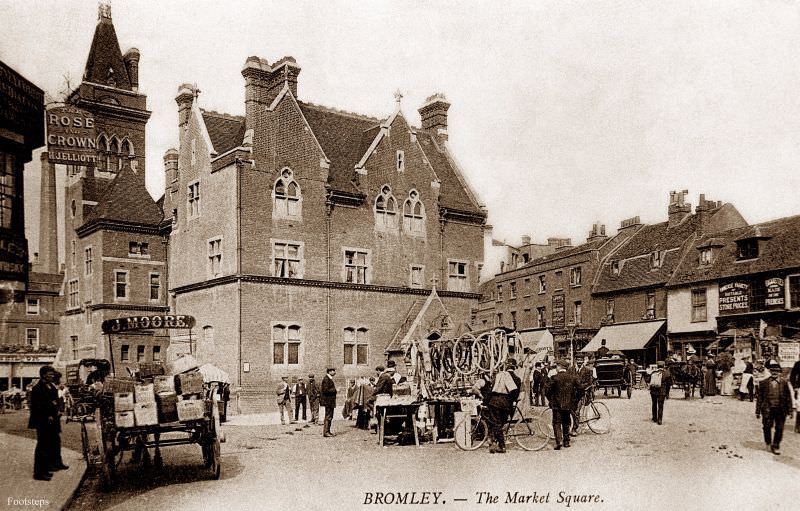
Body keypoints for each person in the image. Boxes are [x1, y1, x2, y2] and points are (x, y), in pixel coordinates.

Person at [471, 359, 521, 453]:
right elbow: (515, 392)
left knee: (496, 424)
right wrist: (513, 400)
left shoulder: (499, 376)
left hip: (496, 402)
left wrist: (485, 401)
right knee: (500, 424)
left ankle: (501, 446)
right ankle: (496, 443)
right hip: (508, 404)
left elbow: (491, 390)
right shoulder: (516, 378)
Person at [28, 365, 68, 481]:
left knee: (54, 442)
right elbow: (38, 406)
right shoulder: (38, 388)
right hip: (43, 421)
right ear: (44, 375)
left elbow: (54, 401)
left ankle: (54, 464)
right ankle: (39, 473)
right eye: (50, 374)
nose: (52, 376)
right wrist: (48, 415)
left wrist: (57, 410)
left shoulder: (51, 386)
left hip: (53, 420)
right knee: (43, 446)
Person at [757, 360, 794, 455]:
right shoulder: (763, 383)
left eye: (776, 371)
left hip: (781, 409)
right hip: (767, 408)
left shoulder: (784, 383)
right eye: (772, 370)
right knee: (766, 426)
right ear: (769, 371)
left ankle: (776, 445)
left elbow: (788, 397)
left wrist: (790, 410)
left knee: (780, 428)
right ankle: (768, 442)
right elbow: (760, 398)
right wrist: (757, 411)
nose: (774, 372)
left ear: (779, 372)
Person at [548, 359, 579, 450]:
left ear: (560, 367)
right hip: (568, 404)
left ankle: (559, 441)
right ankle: (566, 441)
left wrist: (551, 400)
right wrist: (574, 400)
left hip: (557, 405)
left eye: (557, 366)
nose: (556, 368)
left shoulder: (554, 378)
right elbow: (580, 389)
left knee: (556, 422)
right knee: (566, 422)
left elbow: (547, 390)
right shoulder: (572, 377)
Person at [646, 360, 672, 425]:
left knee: (654, 404)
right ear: (664, 366)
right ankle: (660, 420)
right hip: (662, 391)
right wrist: (667, 393)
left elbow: (648, 381)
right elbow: (669, 383)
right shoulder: (667, 373)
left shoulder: (653, 372)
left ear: (657, 366)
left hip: (653, 391)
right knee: (660, 405)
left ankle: (654, 418)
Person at [321, 367, 337, 437]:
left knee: (330, 416)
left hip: (330, 401)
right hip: (328, 401)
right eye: (333, 371)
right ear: (329, 371)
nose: (334, 372)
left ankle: (328, 431)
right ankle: (326, 432)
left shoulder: (329, 379)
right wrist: (335, 390)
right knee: (328, 416)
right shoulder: (326, 379)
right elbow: (325, 390)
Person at [791, 359, 800, 433]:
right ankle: (798, 426)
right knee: (799, 408)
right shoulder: (798, 364)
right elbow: (792, 376)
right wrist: (795, 387)